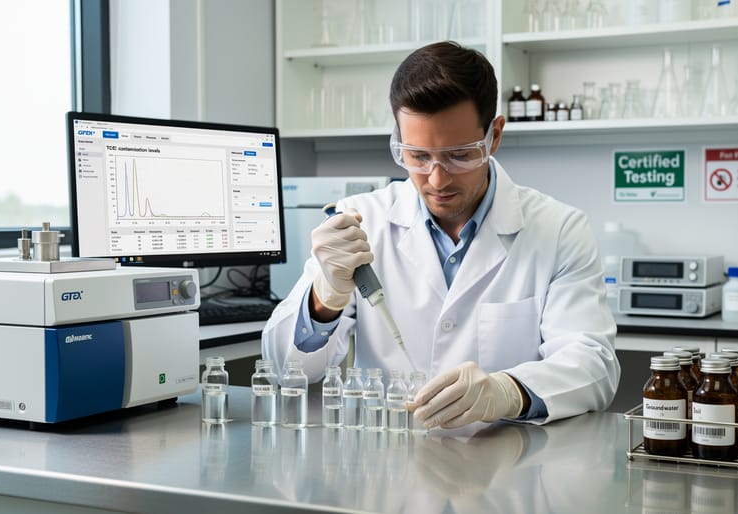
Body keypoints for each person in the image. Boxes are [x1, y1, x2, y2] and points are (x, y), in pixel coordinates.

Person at [262, 41, 619, 428]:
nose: (436, 179)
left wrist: (509, 391)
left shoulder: (559, 230)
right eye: (417, 156)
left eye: (459, 155)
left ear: (494, 137)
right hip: (387, 466)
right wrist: (324, 298)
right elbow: (286, 369)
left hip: (504, 467)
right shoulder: (360, 222)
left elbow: (592, 365)